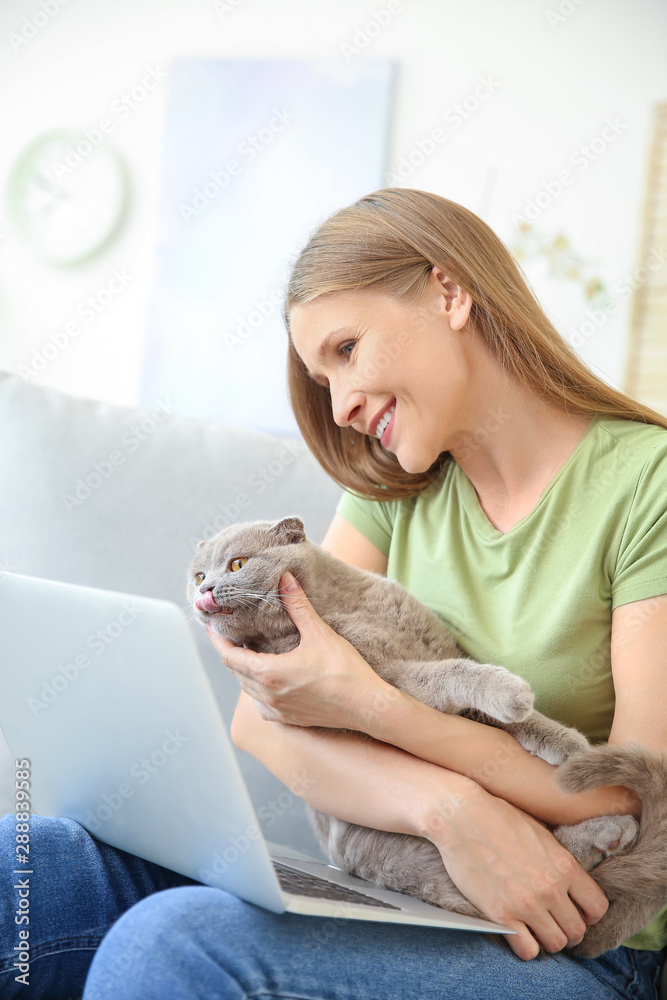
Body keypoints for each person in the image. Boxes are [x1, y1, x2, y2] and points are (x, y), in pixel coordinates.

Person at [2, 188, 666, 999]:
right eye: (322, 379)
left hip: (587, 945)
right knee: (30, 866)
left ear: (448, 292)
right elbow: (263, 723)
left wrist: (377, 709)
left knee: (174, 945)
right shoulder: (392, 492)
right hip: (409, 893)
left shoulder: (645, 485)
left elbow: (628, 792)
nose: (341, 407)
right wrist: (445, 808)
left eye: (346, 349)